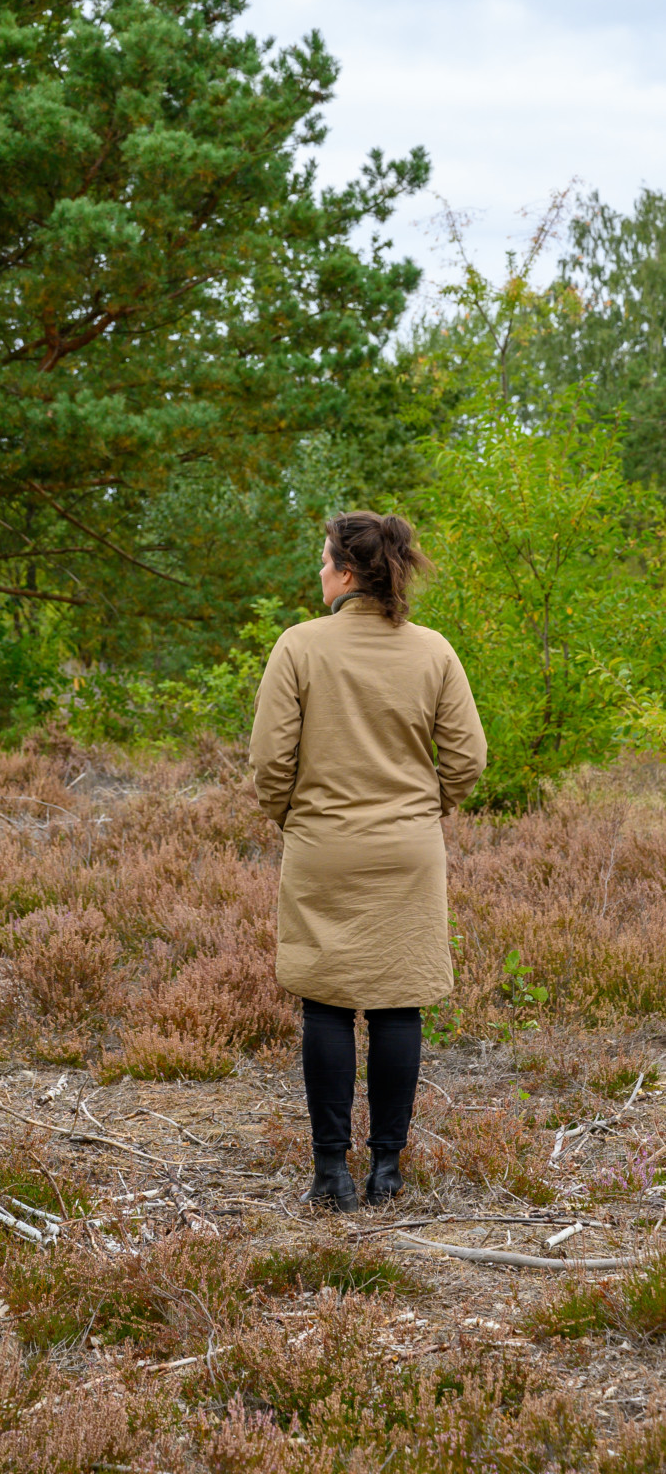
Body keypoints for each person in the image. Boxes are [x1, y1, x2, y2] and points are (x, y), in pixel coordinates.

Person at [248, 511, 486, 1210]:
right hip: (407, 849)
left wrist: (293, 816)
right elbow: (467, 760)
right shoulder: (432, 651)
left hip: (322, 844)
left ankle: (330, 1174)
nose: (318, 572)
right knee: (395, 1004)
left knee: (323, 1001)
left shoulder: (298, 647)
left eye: (323, 560)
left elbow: (269, 762)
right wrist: (421, 810)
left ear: (345, 572)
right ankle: (387, 1172)